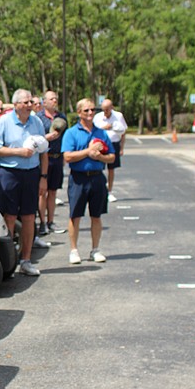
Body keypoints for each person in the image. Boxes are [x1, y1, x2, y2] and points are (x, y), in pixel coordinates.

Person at [0, 89, 48, 277]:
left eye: (31, 102)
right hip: (9, 173)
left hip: (31, 173)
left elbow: (44, 150)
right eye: (26, 103)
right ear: (16, 105)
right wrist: (18, 152)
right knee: (10, 217)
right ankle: (9, 263)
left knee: (29, 217)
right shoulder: (4, 122)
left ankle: (26, 260)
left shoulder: (36, 122)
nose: (30, 106)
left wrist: (43, 177)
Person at [62, 98, 115, 265]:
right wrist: (88, 151)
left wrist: (99, 156)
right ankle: (74, 250)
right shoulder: (71, 133)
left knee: (96, 216)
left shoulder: (101, 133)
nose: (90, 113)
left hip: (97, 177)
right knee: (75, 215)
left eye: (93, 110)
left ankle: (95, 249)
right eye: (86, 110)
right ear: (79, 113)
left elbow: (112, 156)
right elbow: (68, 156)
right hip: (78, 178)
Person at [36, 90, 67, 235]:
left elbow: (65, 138)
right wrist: (47, 137)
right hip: (44, 157)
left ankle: (50, 221)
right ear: (44, 102)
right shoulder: (38, 118)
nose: (54, 101)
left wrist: (65, 155)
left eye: (56, 98)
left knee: (53, 191)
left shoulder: (61, 117)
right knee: (43, 192)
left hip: (57, 157)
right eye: (51, 99)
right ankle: (42, 222)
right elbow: (35, 138)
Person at [93, 99, 127, 202]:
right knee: (99, 168)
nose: (105, 112)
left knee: (111, 169)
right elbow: (93, 130)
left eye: (107, 109)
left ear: (112, 108)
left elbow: (124, 131)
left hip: (114, 143)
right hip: (101, 144)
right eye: (104, 109)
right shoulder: (98, 117)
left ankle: (109, 191)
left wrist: (121, 147)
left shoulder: (118, 116)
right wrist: (104, 128)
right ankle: (99, 190)